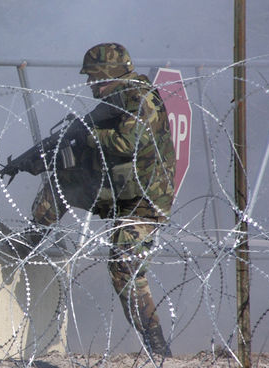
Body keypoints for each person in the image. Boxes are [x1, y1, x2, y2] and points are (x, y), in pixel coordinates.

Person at [28, 43, 176, 356]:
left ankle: (158, 347)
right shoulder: (112, 101)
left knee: (123, 265)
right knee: (61, 182)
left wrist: (87, 135)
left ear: (109, 75)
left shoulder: (140, 97)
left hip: (146, 199)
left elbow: (131, 141)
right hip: (119, 189)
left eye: (94, 77)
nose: (90, 85)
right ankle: (31, 243)